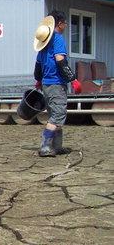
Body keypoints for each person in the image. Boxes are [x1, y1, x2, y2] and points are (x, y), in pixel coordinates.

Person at [33, 11, 82, 157]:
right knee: (58, 115)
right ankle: (45, 147)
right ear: (59, 24)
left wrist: (40, 80)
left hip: (47, 85)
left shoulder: (43, 44)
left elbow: (37, 68)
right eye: (65, 23)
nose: (66, 26)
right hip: (56, 84)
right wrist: (73, 79)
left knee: (55, 115)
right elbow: (61, 61)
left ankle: (57, 146)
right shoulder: (58, 39)